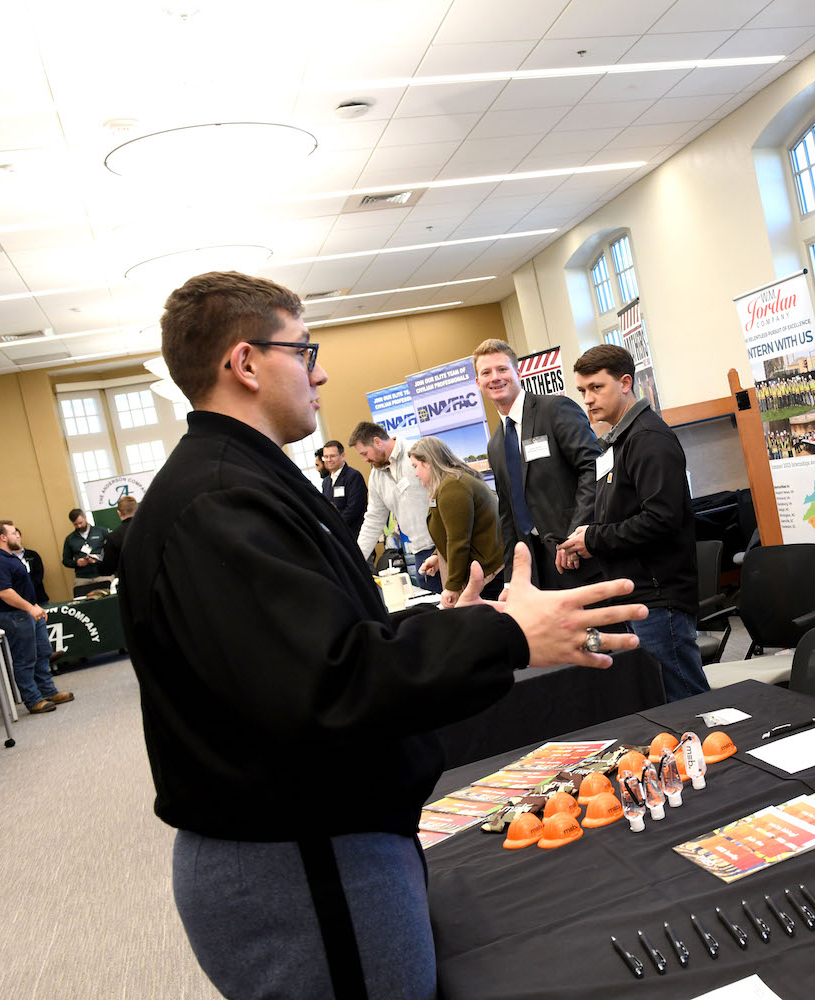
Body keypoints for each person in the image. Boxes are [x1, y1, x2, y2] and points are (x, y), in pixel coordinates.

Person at [119, 270, 645, 998]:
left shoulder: (236, 482)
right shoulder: (216, 501)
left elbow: (320, 639)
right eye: (304, 352)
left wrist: (459, 626)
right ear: (243, 363)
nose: (321, 370)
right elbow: (327, 683)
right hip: (298, 861)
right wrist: (507, 638)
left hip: (319, 845)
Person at [561, 345, 710, 701]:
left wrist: (594, 539)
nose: (588, 399)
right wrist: (582, 538)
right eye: (582, 390)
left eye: (597, 387)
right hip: (635, 593)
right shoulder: (617, 440)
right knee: (663, 702)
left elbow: (662, 518)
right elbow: (615, 515)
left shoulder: (647, 438)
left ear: (625, 382)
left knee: (689, 704)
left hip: (658, 596)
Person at [476, 338, 601, 590]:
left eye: (502, 369)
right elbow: (508, 515)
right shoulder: (496, 444)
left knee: (600, 630)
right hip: (537, 571)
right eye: (486, 372)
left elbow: (593, 468)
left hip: (579, 556)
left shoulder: (554, 410)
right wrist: (511, 581)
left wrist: (576, 536)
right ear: (478, 382)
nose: (495, 378)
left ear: (517, 371)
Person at [0, 520, 72, 714]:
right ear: (3, 537)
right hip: (15, 617)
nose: (17, 535)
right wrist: (29, 608)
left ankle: (48, 691)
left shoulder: (11, 557)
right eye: (13, 532)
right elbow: (5, 592)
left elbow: (20, 588)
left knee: (43, 652)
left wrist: (34, 607)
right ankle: (33, 700)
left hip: (29, 611)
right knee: (25, 660)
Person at [408, 435, 504, 607]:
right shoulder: (453, 483)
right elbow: (456, 529)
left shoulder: (453, 487)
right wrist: (437, 556)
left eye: (416, 466)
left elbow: (459, 540)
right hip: (486, 573)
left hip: (486, 578)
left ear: (428, 462)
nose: (415, 474)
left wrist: (452, 587)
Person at [348, 422, 440, 593]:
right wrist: (357, 559)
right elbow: (374, 519)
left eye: (364, 453)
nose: (365, 459)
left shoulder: (418, 452)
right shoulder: (376, 476)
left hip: (444, 545)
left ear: (377, 442)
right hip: (420, 550)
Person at [322, 439, 368, 538]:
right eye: (326, 457)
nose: (329, 460)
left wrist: (335, 526)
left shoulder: (353, 476)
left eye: (332, 456)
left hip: (355, 535)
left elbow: (353, 508)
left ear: (342, 456)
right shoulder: (326, 482)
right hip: (337, 536)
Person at [61, 508, 110, 596]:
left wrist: (97, 560)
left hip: (103, 575)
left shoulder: (101, 532)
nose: (79, 526)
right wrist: (77, 563)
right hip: (82, 578)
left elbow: (111, 552)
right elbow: (65, 560)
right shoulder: (70, 539)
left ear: (85, 518)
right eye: (75, 524)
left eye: (80, 523)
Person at [98, 495, 137, 577]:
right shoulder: (151, 531)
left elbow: (107, 569)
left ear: (119, 513)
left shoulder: (113, 537)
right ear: (137, 510)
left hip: (130, 583)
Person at [16, 529, 49, 605]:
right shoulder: (8, 559)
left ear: (21, 538)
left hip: (39, 597)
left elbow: (39, 574)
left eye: (17, 537)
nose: (16, 540)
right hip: (21, 601)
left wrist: (30, 586)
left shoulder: (32, 555)